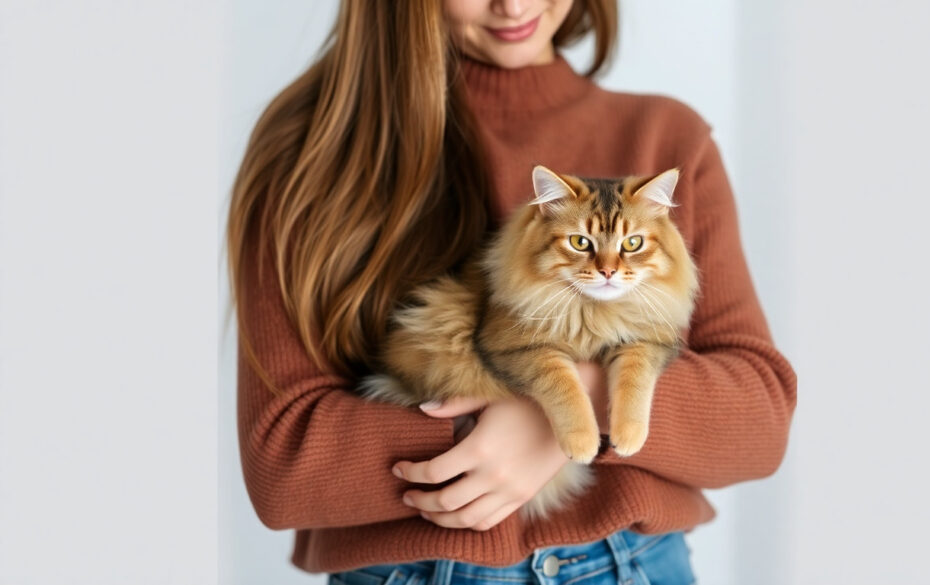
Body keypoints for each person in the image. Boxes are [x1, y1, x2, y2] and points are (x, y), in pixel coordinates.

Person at [226, 1, 797, 583]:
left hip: (633, 565)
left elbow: (760, 421)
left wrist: (575, 406)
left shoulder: (668, 138)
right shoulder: (312, 148)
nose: (514, 5)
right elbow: (282, 470)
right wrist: (482, 435)